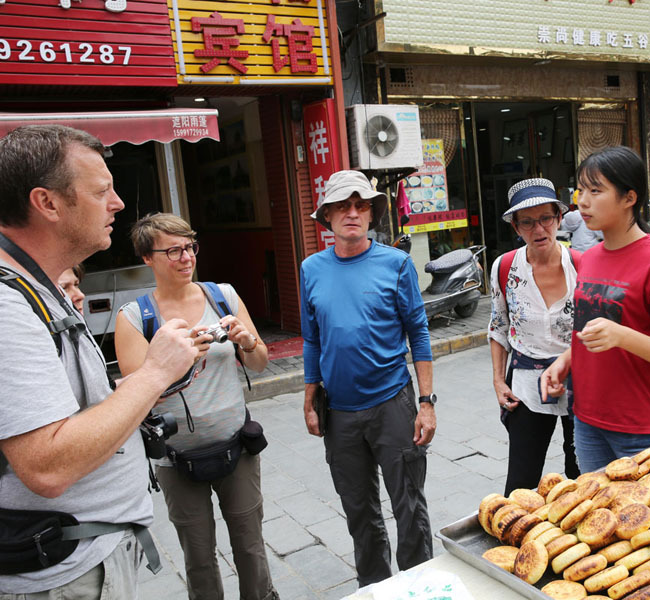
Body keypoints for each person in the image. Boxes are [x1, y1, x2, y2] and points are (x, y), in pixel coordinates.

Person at [0, 125, 199, 597]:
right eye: (101, 191)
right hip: (63, 573)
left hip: (85, 554)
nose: (118, 204)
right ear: (47, 203)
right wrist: (153, 373)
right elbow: (46, 465)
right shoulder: (7, 304)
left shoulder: (38, 285)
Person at [114, 213, 278, 600]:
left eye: (190, 246)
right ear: (147, 259)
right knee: (199, 556)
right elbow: (136, 399)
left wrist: (248, 342)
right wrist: (176, 362)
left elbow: (260, 362)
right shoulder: (136, 318)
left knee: (251, 548)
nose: (186, 257)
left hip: (236, 447)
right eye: (172, 250)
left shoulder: (222, 295)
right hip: (176, 459)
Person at [300, 170, 436, 587]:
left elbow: (419, 332)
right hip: (339, 413)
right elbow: (312, 339)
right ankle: (375, 588)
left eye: (361, 205)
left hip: (393, 403)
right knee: (359, 511)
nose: (353, 213)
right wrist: (309, 399)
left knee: (408, 506)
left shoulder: (395, 264)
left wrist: (427, 403)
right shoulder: (312, 268)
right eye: (343, 206)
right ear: (327, 216)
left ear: (372, 213)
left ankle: (418, 587)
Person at [541, 147, 650, 472]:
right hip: (587, 419)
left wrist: (624, 336)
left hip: (641, 428)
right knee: (597, 518)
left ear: (629, 197)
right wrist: (565, 361)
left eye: (596, 191)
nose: (582, 201)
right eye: (581, 190)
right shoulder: (592, 257)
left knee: (641, 520)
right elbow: (593, 330)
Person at [489, 178, 580, 495]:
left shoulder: (581, 265)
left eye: (545, 218)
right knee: (520, 484)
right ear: (515, 226)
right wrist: (499, 382)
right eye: (527, 222)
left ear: (558, 218)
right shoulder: (504, 268)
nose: (538, 229)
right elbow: (499, 326)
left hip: (579, 381)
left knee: (581, 476)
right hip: (526, 384)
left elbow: (595, 330)